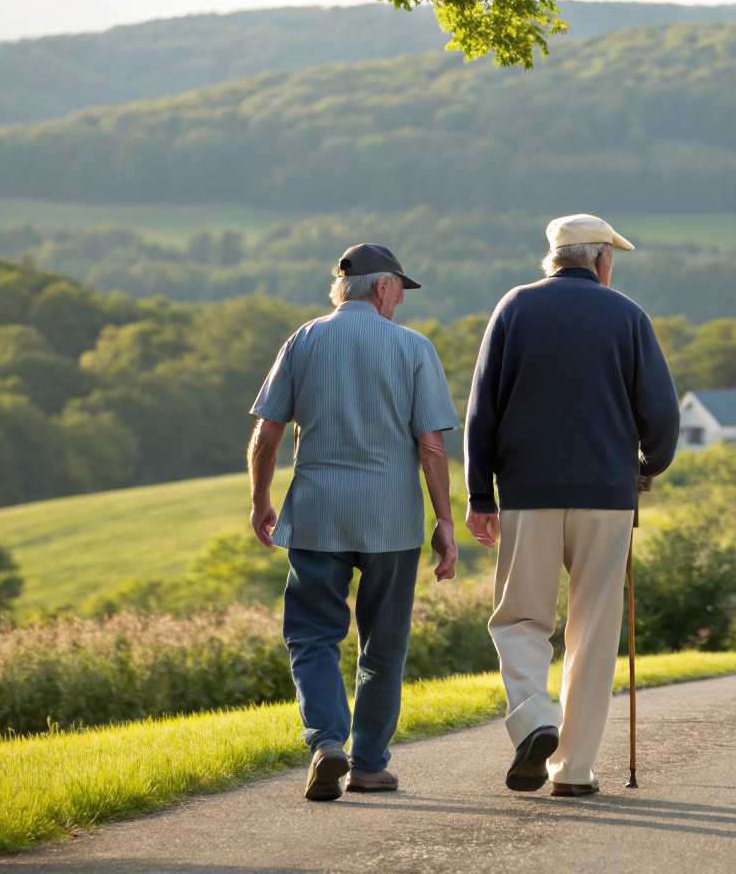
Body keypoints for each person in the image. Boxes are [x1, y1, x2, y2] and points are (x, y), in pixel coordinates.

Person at [464, 214, 679, 797]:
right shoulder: (628, 315)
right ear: (602, 260)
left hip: (527, 493)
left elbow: (482, 409)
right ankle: (575, 770)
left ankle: (535, 720)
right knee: (594, 630)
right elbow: (662, 416)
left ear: (552, 259)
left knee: (519, 618)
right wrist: (644, 468)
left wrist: (480, 493)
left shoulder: (514, 307)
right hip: (607, 496)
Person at [247, 243, 460, 802]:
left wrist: (260, 500)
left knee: (313, 635)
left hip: (317, 514)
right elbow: (432, 446)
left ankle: (325, 741)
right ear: (384, 288)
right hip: (391, 521)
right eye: (399, 291)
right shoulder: (414, 348)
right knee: (383, 644)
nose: (400, 302)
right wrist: (444, 520)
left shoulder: (304, 340)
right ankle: (367, 764)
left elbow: (267, 433)